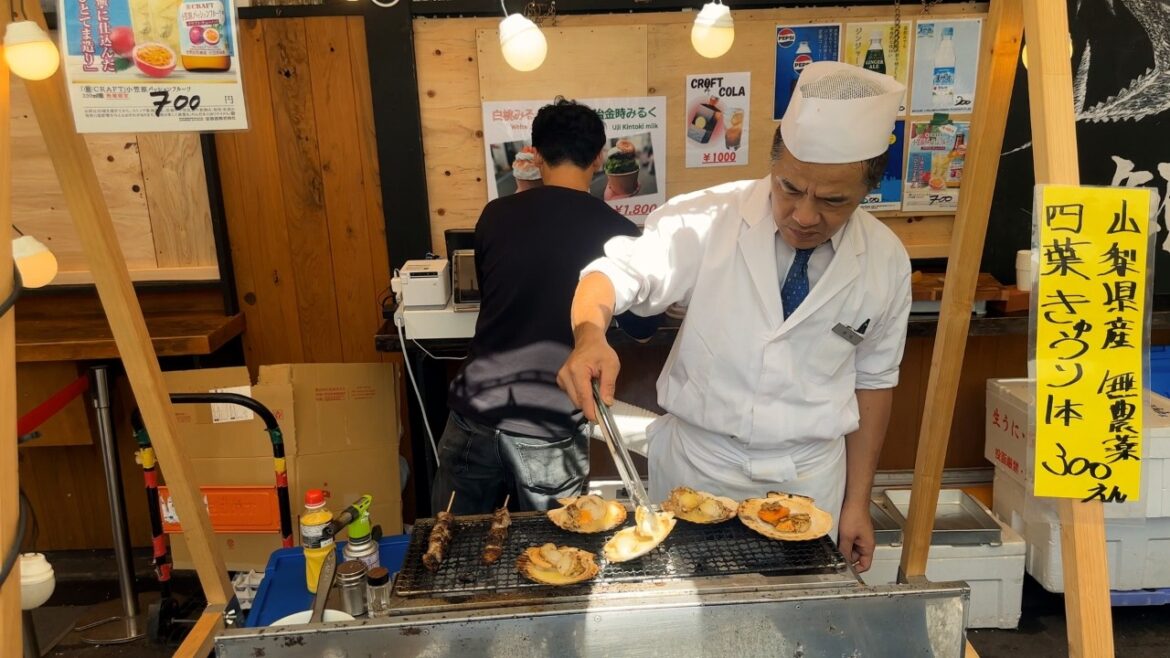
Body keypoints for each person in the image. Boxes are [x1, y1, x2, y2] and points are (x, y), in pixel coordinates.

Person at [557, 62, 911, 572]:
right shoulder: (706, 218)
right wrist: (590, 333)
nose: (805, 215)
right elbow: (614, 274)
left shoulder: (885, 260)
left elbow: (875, 382)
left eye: (834, 201)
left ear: (867, 190)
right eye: (789, 188)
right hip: (700, 469)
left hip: (809, 480)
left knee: (795, 631)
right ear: (773, 166)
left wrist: (857, 502)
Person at [432, 98, 658, 516]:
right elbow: (643, 328)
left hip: (473, 414)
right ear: (598, 159)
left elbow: (498, 292)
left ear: (536, 155)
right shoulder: (622, 234)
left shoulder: (494, 215)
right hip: (550, 422)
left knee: (451, 554)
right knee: (556, 561)